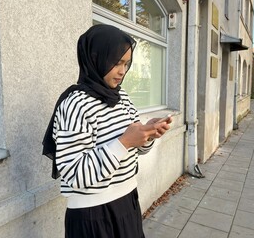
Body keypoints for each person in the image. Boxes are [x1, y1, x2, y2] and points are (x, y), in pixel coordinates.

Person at [42, 24, 172, 238]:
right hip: (92, 215)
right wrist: (124, 142)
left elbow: (136, 151)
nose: (123, 71)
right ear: (95, 58)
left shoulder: (123, 98)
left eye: (127, 63)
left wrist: (148, 134)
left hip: (128, 202)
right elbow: (73, 174)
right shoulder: (75, 104)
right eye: (117, 62)